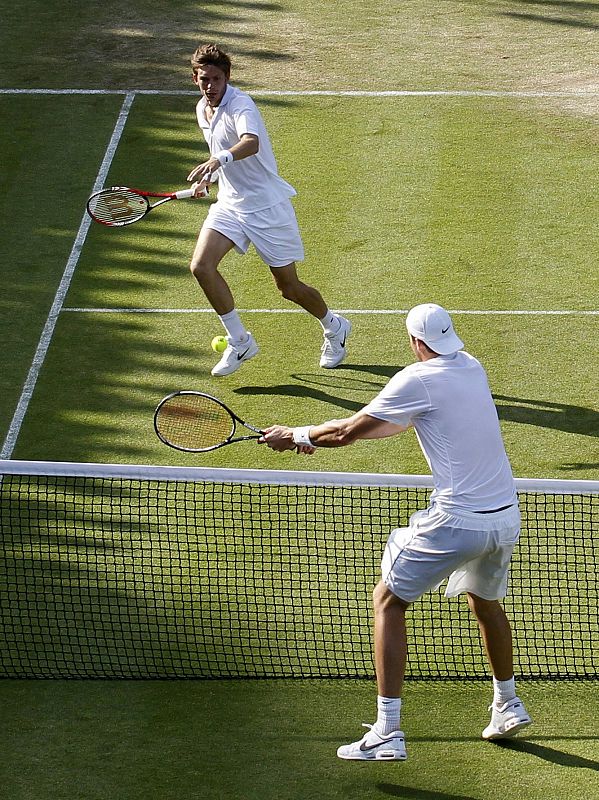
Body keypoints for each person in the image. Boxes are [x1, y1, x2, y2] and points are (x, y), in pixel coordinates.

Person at [260, 303, 532, 761]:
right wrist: (313, 437)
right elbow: (393, 424)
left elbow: (349, 430)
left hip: (456, 521)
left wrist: (298, 435)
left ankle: (387, 732)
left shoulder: (417, 378)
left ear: (414, 342)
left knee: (387, 600)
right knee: (485, 602)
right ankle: (507, 703)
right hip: (503, 519)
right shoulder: (472, 367)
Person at [186, 43, 351, 377]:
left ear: (227, 78)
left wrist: (219, 159)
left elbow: (250, 142)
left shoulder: (241, 104)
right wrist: (210, 178)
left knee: (289, 288)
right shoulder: (202, 108)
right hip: (230, 204)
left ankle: (335, 327)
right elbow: (219, 152)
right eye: (204, 79)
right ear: (195, 78)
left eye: (217, 79)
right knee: (201, 267)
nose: (210, 86)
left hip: (266, 208)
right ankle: (240, 340)